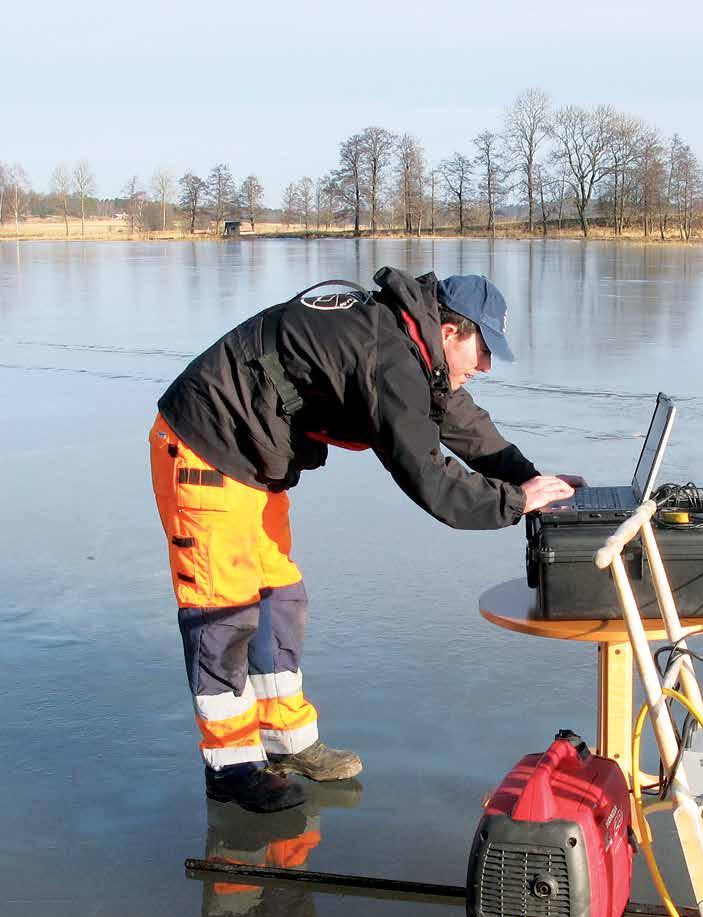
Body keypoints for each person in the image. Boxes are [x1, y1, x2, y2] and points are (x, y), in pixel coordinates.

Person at [150, 267, 577, 813]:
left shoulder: (412, 345)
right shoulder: (393, 358)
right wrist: (516, 503)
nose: (486, 365)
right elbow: (429, 477)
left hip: (252, 463)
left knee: (280, 597)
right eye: (483, 348)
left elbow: (462, 422)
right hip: (204, 448)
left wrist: (531, 479)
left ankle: (285, 739)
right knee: (224, 613)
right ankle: (230, 767)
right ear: (450, 332)